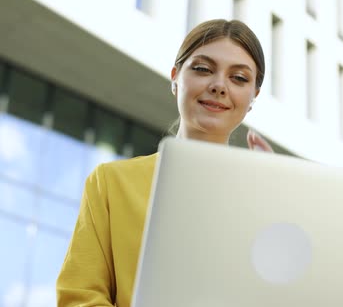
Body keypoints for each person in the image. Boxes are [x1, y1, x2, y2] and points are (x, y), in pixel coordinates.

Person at [56, 19, 273, 307]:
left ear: (253, 97)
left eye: (239, 78)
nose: (219, 86)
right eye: (203, 69)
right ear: (175, 77)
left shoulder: (267, 197)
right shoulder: (111, 182)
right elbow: (79, 297)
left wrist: (275, 208)